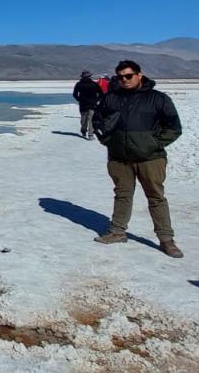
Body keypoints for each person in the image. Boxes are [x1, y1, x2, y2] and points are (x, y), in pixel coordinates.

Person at [91, 60, 184, 258]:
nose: (124, 80)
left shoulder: (158, 99)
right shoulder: (111, 98)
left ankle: (166, 240)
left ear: (139, 75)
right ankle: (117, 232)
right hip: (119, 157)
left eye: (128, 76)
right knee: (122, 194)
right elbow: (98, 120)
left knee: (156, 197)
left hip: (150, 158)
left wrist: (153, 144)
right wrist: (108, 140)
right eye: (120, 77)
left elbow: (174, 127)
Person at [72, 70, 102, 139]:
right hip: (93, 104)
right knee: (91, 119)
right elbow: (101, 94)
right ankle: (90, 134)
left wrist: (79, 100)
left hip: (83, 104)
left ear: (82, 77)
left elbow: (75, 94)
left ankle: (83, 131)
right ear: (90, 76)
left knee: (83, 119)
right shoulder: (94, 84)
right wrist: (97, 100)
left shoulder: (79, 84)